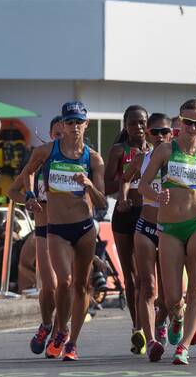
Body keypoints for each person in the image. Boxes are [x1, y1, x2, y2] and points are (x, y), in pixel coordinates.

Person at [12, 101, 106, 360]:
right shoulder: (45, 151)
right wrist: (30, 195)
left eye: (79, 122)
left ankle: (71, 341)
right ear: (62, 125)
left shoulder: (93, 158)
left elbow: (101, 203)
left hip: (85, 227)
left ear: (86, 124)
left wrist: (89, 184)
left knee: (81, 285)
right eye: (70, 122)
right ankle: (56, 327)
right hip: (55, 228)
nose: (75, 127)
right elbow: (28, 173)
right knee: (61, 282)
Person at [139, 99, 196, 365]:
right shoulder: (165, 150)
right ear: (179, 122)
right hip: (170, 228)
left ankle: (183, 347)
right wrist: (155, 193)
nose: (192, 128)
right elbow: (142, 184)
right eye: (187, 123)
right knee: (172, 296)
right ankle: (177, 315)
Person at [8, 116, 63, 355]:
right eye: (57, 134)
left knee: (67, 286)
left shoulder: (80, 161)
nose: (62, 137)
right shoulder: (39, 163)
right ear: (50, 135)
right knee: (49, 287)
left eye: (67, 132)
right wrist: (28, 201)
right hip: (44, 230)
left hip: (70, 230)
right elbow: (13, 191)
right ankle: (47, 324)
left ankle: (62, 331)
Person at [120, 113, 173, 361]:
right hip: (146, 226)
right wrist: (123, 197)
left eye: (165, 132)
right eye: (155, 132)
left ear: (172, 134)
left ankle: (164, 321)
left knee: (169, 294)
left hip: (172, 230)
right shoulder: (143, 158)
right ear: (148, 135)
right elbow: (126, 178)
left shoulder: (182, 160)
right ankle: (150, 339)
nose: (160, 136)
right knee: (147, 285)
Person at [104, 105, 150, 355]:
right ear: (126, 126)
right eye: (133, 123)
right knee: (131, 277)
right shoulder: (118, 151)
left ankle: (154, 323)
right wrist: (125, 180)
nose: (138, 127)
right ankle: (137, 329)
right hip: (124, 215)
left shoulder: (156, 150)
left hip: (149, 215)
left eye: (142, 122)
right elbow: (105, 185)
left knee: (149, 276)